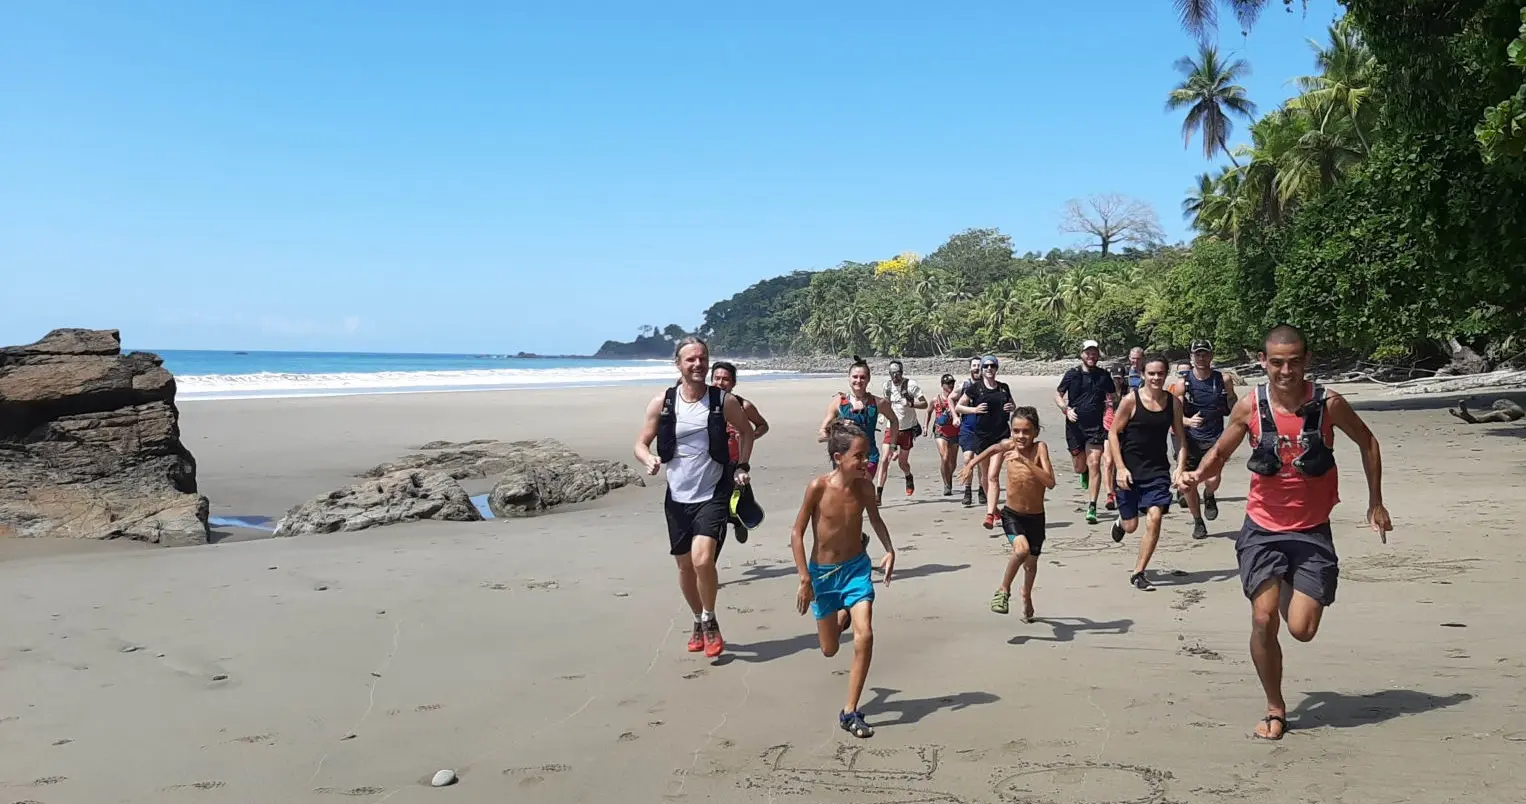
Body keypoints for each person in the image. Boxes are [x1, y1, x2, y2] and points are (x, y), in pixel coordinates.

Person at [1179, 324, 1391, 741]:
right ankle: (1275, 708)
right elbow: (1221, 450)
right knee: (1262, 619)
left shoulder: (1328, 404)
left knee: (1302, 630)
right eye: (1276, 362)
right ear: (1263, 362)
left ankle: (1290, 582)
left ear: (1306, 361)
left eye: (1294, 361)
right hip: (1262, 528)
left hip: (1312, 531)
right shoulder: (1250, 406)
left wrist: (1376, 502)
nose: (1285, 370)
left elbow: (1368, 443)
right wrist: (1196, 475)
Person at [633, 337, 757, 658]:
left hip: (713, 492)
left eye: (702, 358)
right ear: (678, 364)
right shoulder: (663, 401)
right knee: (685, 567)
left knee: (703, 560)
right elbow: (641, 443)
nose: (698, 364)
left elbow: (746, 431)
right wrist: (648, 459)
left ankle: (710, 618)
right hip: (676, 497)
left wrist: (742, 464)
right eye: (691, 360)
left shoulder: (722, 401)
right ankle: (696, 619)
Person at [791, 418, 896, 739]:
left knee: (865, 635)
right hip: (823, 576)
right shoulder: (818, 488)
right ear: (839, 458)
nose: (867, 462)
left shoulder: (865, 488)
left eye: (867, 456)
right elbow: (796, 533)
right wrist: (805, 579)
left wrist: (890, 549)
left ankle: (850, 711)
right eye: (860, 457)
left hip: (855, 569)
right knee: (829, 650)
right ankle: (842, 614)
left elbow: (875, 519)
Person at [957, 407, 1055, 620]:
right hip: (1012, 515)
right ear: (1011, 431)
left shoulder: (1040, 449)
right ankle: (1003, 590)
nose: (1021, 436)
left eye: (1026, 431)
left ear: (1036, 432)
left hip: (1036, 518)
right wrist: (971, 465)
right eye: (1016, 431)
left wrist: (1025, 461)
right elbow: (992, 449)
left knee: (1031, 565)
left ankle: (1026, 595)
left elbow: (1050, 482)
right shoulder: (1008, 445)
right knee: (1021, 551)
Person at [1107, 355, 1188, 591]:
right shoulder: (1131, 401)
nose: (1155, 378)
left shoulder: (1173, 403)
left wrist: (1180, 468)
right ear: (1143, 374)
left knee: (1154, 517)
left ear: (1166, 375)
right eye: (1151, 373)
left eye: (1160, 374)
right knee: (1132, 526)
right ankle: (1122, 522)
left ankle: (1138, 572)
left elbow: (1180, 437)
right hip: (1130, 472)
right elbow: (1113, 433)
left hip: (1157, 471)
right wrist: (1120, 468)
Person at [1169, 341, 1236, 540]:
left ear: (1211, 355)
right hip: (1191, 440)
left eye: (1205, 354)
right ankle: (1198, 521)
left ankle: (1209, 495)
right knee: (1188, 484)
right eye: (1197, 354)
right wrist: (1187, 421)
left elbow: (1232, 401)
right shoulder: (1183, 383)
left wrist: (1238, 418)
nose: (1201, 358)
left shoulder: (1222, 379)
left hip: (1215, 437)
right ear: (1192, 356)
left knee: (1213, 479)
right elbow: (1174, 415)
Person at [1054, 340, 1114, 524]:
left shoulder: (1104, 375)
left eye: (1095, 353)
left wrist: (1110, 408)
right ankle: (1084, 472)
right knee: (1080, 467)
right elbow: (1058, 394)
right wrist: (1066, 409)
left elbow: (1113, 394)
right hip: (1074, 426)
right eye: (1088, 353)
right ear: (1082, 354)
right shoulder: (1072, 374)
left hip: (1095, 427)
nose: (1091, 356)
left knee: (1095, 463)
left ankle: (1092, 506)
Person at [712, 360, 771, 544]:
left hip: (735, 464)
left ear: (734, 383)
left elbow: (763, 425)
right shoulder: (703, 403)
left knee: (737, 501)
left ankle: (737, 521)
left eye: (726, 379)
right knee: (716, 507)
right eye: (716, 378)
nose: (720, 383)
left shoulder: (742, 405)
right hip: (710, 463)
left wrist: (748, 436)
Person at [955, 355, 1016, 510]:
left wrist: (1011, 407)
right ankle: (993, 507)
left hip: (1001, 435)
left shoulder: (1003, 387)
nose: (989, 369)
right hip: (982, 436)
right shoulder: (975, 388)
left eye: (992, 366)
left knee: (992, 475)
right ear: (982, 370)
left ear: (996, 369)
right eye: (986, 366)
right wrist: (974, 409)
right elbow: (958, 407)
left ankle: (990, 511)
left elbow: (1013, 405)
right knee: (984, 476)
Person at [818, 357, 893, 481]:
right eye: (855, 377)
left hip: (868, 457)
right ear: (849, 378)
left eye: (862, 377)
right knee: (845, 495)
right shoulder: (838, 403)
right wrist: (840, 427)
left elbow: (894, 420)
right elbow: (821, 435)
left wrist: (892, 445)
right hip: (844, 458)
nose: (858, 380)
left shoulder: (878, 403)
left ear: (868, 379)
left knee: (863, 491)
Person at [874, 360, 927, 503]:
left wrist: (910, 403)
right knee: (884, 459)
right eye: (892, 374)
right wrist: (880, 415)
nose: (895, 377)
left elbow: (924, 403)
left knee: (902, 463)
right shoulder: (887, 386)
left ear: (902, 372)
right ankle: (878, 493)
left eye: (897, 373)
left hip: (907, 428)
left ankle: (908, 476)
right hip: (891, 428)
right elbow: (885, 402)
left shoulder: (911, 385)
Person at [925, 374, 964, 496]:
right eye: (948, 384)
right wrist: (925, 426)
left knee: (953, 462)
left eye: (952, 383)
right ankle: (946, 484)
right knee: (945, 457)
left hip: (956, 432)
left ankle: (949, 478)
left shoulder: (958, 399)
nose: (950, 386)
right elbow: (928, 412)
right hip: (940, 432)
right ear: (942, 385)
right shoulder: (935, 400)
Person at [956, 358, 984, 506]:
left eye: (979, 366)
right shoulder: (965, 385)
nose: (977, 368)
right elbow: (953, 401)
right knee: (968, 459)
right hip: (967, 427)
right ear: (970, 368)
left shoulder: (989, 386)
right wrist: (955, 417)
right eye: (974, 366)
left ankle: (981, 489)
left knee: (981, 461)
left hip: (984, 430)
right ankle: (967, 490)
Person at [1100, 365, 1129, 512]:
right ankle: (1109, 494)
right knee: (1108, 461)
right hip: (1107, 428)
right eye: (1114, 378)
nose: (1116, 381)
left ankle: (1121, 489)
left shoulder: (1129, 392)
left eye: (1119, 378)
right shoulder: (1104, 392)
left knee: (1123, 461)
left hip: (1124, 429)